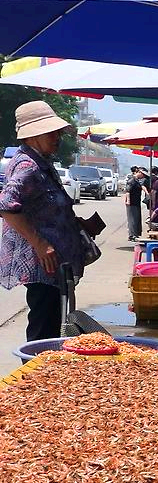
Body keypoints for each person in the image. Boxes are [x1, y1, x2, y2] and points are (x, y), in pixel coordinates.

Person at [0, 101, 87, 340]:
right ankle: (35, 364)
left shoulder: (40, 162)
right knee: (43, 329)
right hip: (41, 264)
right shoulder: (27, 165)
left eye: (58, 132)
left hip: (53, 264)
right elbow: (5, 206)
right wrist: (40, 244)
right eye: (51, 133)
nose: (57, 137)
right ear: (33, 135)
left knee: (52, 325)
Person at [125, 166, 144, 240]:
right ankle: (132, 235)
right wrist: (128, 200)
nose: (143, 176)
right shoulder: (132, 180)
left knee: (136, 219)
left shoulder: (137, 181)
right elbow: (128, 191)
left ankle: (135, 234)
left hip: (136, 202)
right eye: (142, 174)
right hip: (132, 203)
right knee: (132, 219)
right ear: (139, 173)